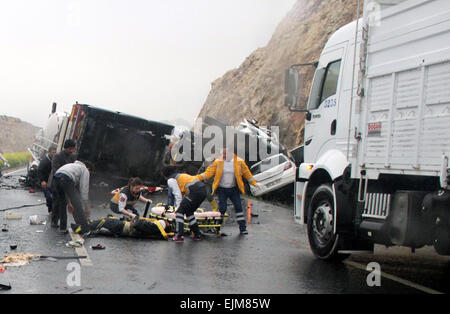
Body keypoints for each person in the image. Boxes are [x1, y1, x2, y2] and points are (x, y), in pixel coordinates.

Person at [196, 147, 259, 235]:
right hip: (222, 189)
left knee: (239, 208)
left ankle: (243, 228)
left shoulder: (239, 162)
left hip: (234, 189)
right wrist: (196, 178)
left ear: (231, 153)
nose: (223, 156)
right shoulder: (218, 162)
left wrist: (255, 183)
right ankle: (217, 228)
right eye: (223, 154)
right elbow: (208, 173)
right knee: (222, 208)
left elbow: (247, 174)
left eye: (225, 154)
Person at [164, 167, 206, 242]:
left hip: (195, 191)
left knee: (180, 212)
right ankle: (197, 235)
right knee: (189, 212)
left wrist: (178, 208)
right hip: (203, 190)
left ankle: (179, 236)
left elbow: (177, 195)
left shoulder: (171, 180)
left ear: (165, 176)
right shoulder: (180, 176)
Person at [52, 160, 93, 236]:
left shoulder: (73, 166)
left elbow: (66, 190)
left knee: (62, 203)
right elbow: (84, 189)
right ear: (88, 168)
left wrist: (69, 203)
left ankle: (63, 228)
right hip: (66, 178)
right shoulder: (84, 170)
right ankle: (86, 230)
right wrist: (86, 206)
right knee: (77, 205)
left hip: (56, 178)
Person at [71, 216, 171, 240]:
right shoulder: (155, 230)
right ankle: (83, 226)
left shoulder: (153, 227)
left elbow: (137, 224)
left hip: (123, 227)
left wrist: (135, 219)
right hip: (123, 229)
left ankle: (81, 228)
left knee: (104, 221)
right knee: (103, 222)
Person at [37, 145, 57, 213]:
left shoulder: (55, 160)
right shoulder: (44, 161)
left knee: (55, 197)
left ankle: (53, 209)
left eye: (55, 152)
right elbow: (39, 171)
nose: (54, 154)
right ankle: (50, 209)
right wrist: (42, 181)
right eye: (52, 152)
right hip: (45, 182)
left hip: (52, 182)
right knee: (49, 197)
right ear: (49, 152)